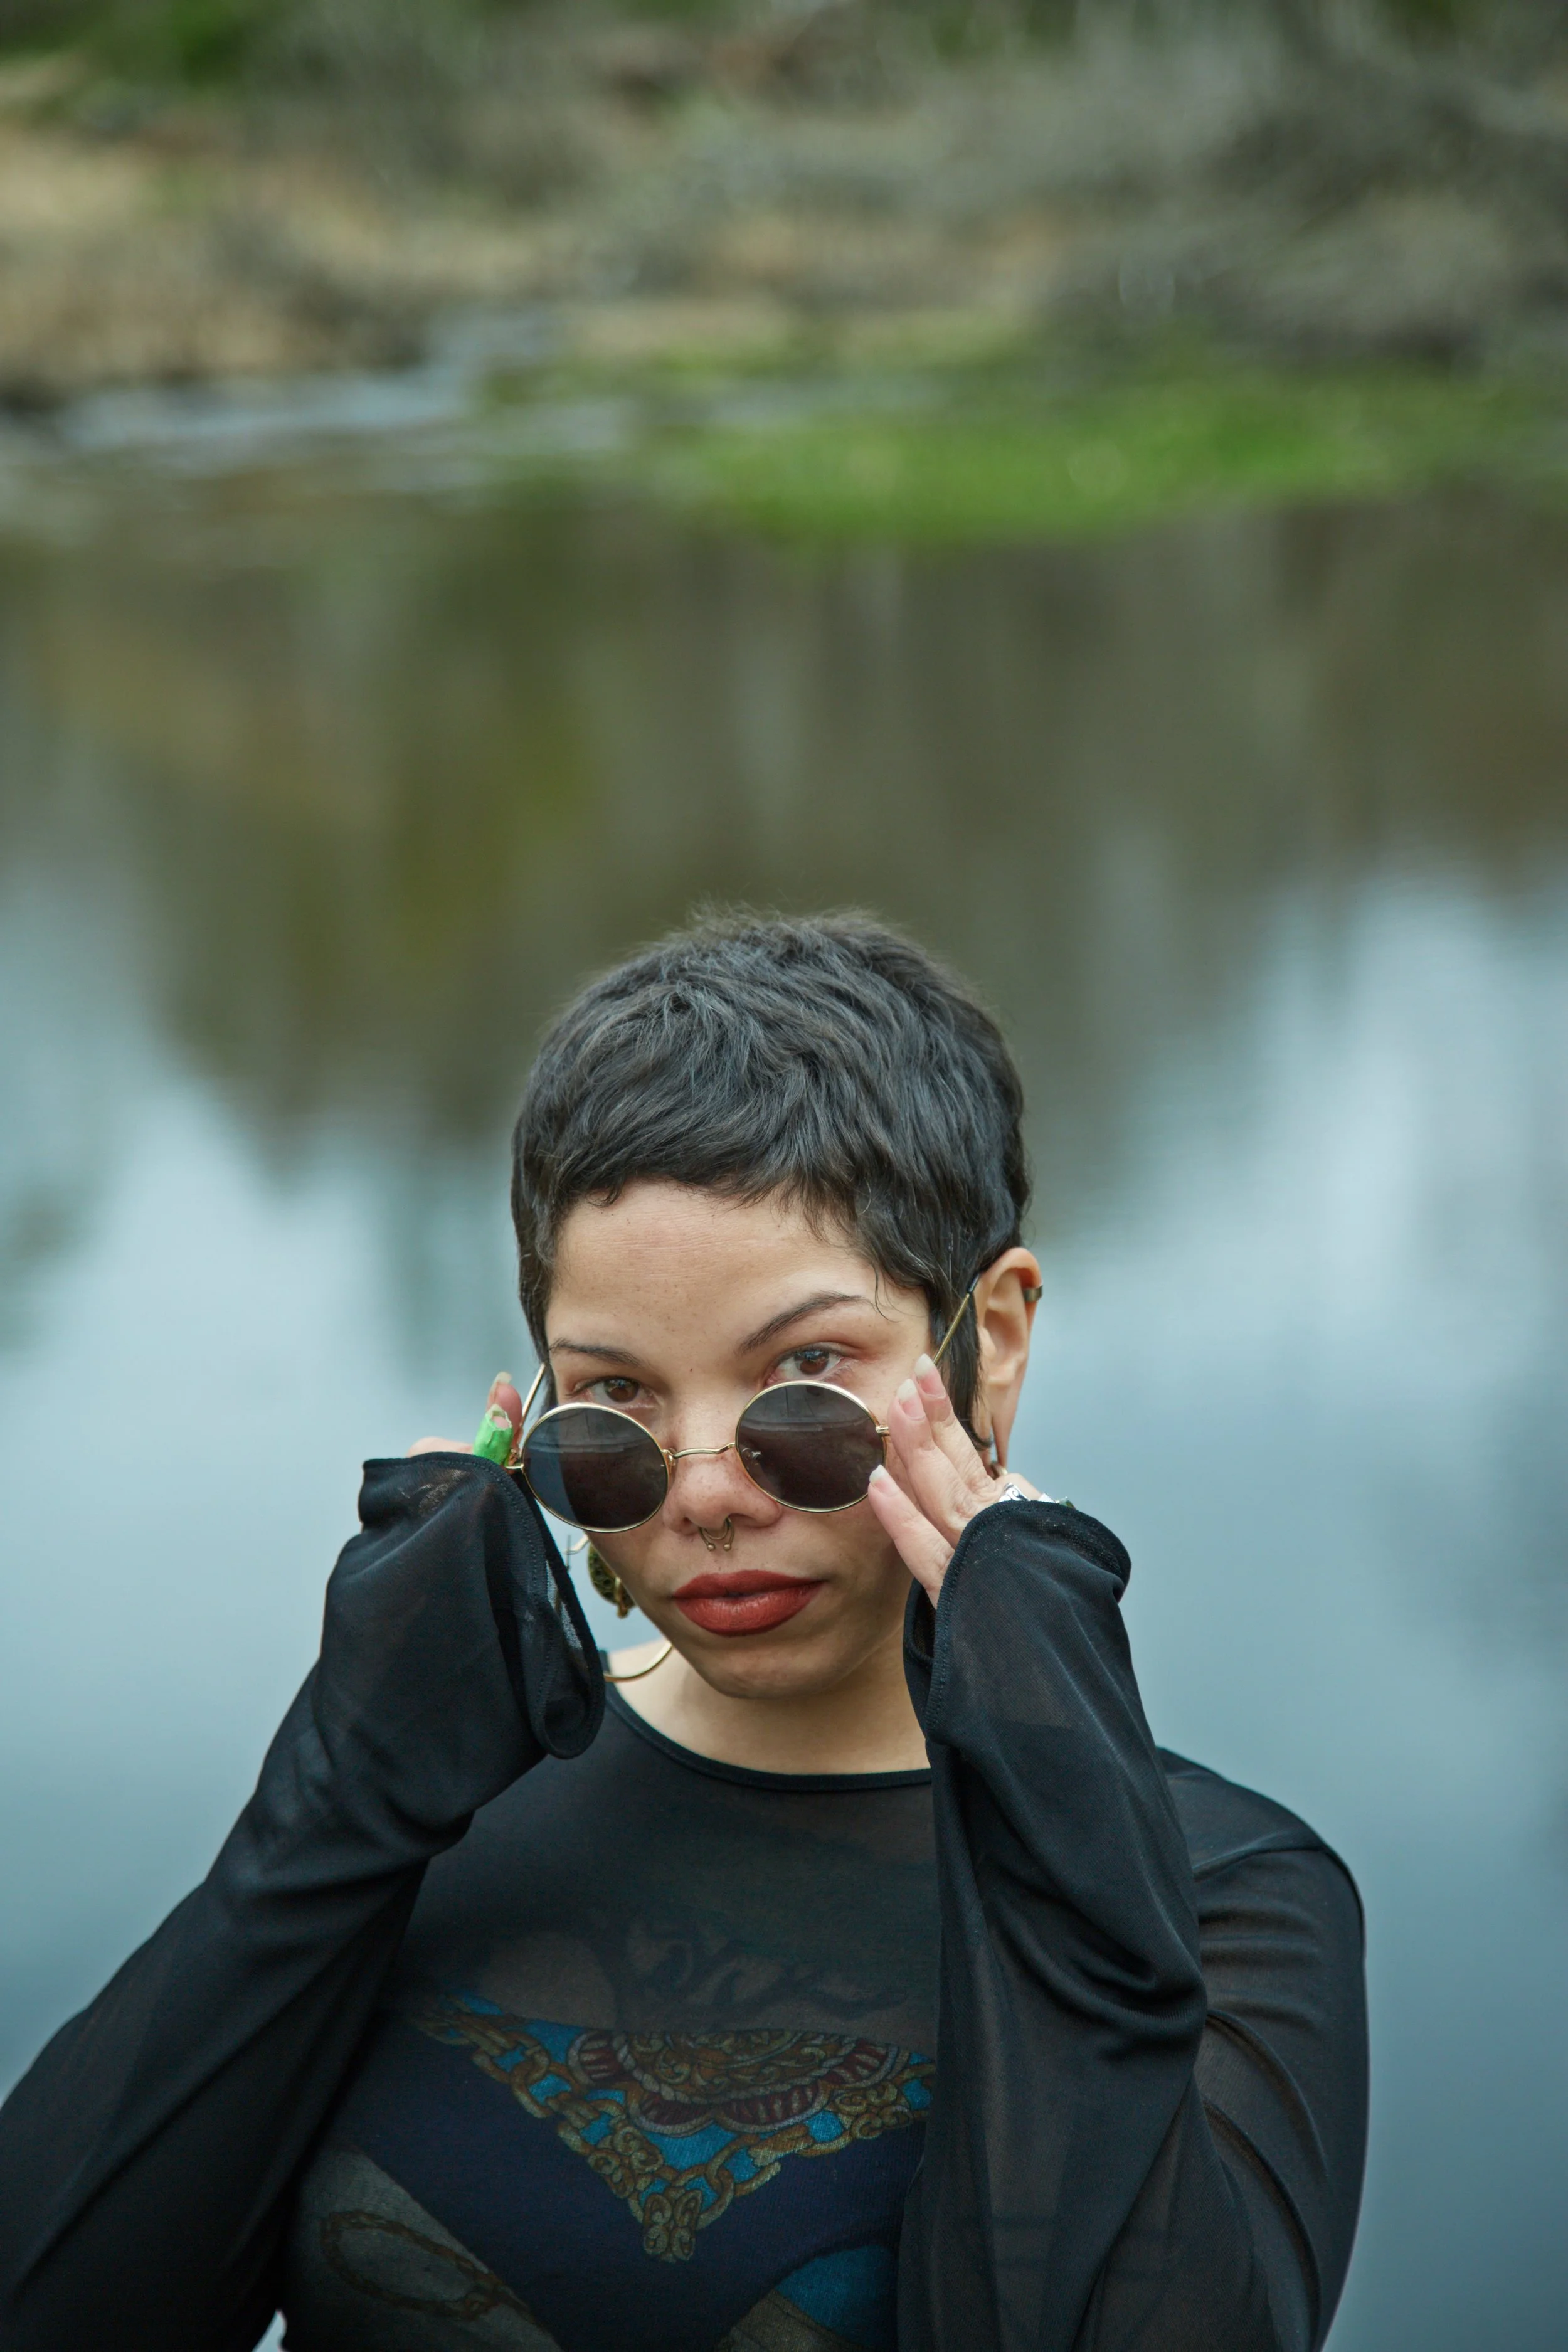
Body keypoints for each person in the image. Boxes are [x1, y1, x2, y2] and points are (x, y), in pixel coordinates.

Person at [0, 913, 1367, 2352]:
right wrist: (335, 1802)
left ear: (994, 1342)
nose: (707, 1494)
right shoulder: (431, 1809)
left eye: (803, 1380)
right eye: (617, 1405)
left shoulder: (1225, 1900)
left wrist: (1047, 1750)